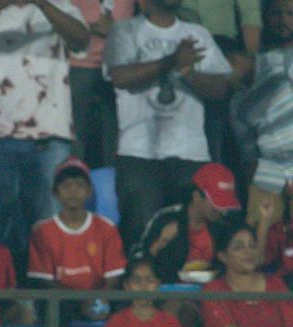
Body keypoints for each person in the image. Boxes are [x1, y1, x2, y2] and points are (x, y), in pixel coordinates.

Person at [0, 0, 90, 265]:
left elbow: (81, 39)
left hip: (48, 136)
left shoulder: (60, 5)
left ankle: (46, 302)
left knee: (49, 226)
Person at [104, 0, 234, 248]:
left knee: (190, 240)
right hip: (138, 154)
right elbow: (120, 77)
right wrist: (170, 62)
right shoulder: (125, 31)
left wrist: (189, 73)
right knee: (141, 239)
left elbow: (222, 89)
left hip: (190, 154)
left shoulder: (197, 33)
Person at [201, 218, 293, 327]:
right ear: (223, 256)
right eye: (239, 247)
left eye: (252, 246)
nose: (248, 252)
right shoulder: (214, 290)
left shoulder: (275, 284)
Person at [130, 162, 241, 285]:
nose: (222, 210)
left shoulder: (223, 225)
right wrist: (161, 242)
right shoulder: (166, 219)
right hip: (169, 292)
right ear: (196, 196)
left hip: (211, 292)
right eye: (217, 204)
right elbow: (134, 263)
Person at [27, 157, 126, 291]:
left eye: (79, 184)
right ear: (55, 192)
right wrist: (77, 303)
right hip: (58, 306)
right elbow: (44, 281)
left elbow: (112, 279)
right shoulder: (42, 231)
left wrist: (97, 304)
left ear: (89, 191)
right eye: (66, 185)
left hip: (99, 305)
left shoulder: (106, 228)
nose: (73, 191)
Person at [237, 0, 293, 237]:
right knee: (263, 242)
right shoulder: (251, 70)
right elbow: (248, 152)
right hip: (269, 171)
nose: (283, 20)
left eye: (290, 13)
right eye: (275, 13)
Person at [69, 1, 134, 170]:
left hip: (120, 67)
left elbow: (146, 19)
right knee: (77, 137)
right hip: (79, 64)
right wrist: (90, 28)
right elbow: (57, 13)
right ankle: (73, 185)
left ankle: (112, 189)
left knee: (116, 138)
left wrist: (115, 29)